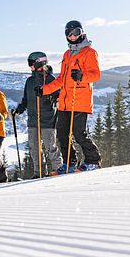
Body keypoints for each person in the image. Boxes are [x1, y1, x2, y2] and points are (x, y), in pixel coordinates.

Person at [38, 20, 101, 174]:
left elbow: (96, 75)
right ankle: (69, 163)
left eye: (76, 33)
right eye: (69, 34)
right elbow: (61, 79)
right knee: (62, 134)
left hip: (80, 100)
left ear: (82, 33)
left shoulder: (89, 52)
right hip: (65, 102)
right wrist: (44, 90)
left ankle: (93, 160)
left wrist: (81, 76)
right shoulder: (67, 54)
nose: (72, 37)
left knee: (79, 134)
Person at [13, 52, 62, 178]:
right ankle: (39, 172)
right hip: (33, 120)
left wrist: (53, 98)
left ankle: (58, 170)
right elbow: (26, 99)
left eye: (31, 63)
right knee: (34, 148)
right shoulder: (29, 81)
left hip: (47, 120)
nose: (29, 66)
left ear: (38, 63)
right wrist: (19, 110)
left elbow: (58, 96)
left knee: (50, 146)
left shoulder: (50, 79)